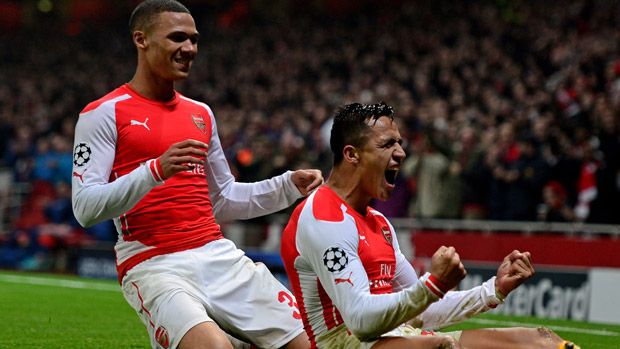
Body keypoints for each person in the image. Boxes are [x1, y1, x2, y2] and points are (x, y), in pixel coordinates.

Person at [71, 1, 323, 348]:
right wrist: (155, 170)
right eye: (177, 38)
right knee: (213, 347)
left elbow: (223, 200)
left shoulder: (200, 113)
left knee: (308, 344)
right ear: (141, 39)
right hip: (154, 263)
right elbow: (85, 208)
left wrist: (286, 186)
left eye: (193, 39)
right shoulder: (103, 114)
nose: (189, 49)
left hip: (216, 253)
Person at [281, 102, 580, 349]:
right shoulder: (324, 216)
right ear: (351, 154)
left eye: (399, 143)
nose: (400, 152)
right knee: (438, 347)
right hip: (344, 343)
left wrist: (493, 289)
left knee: (541, 341)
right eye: (387, 144)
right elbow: (360, 321)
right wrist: (432, 284)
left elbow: (423, 310)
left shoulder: (379, 223)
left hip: (397, 338)